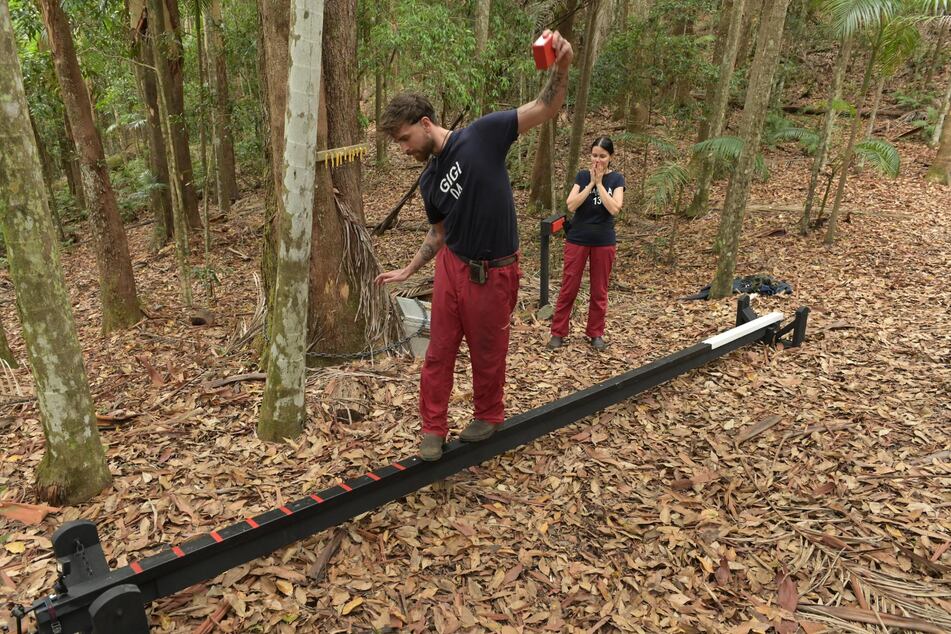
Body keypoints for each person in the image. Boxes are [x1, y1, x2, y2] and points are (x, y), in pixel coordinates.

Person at [375, 31, 573, 461]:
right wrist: (409, 270)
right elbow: (438, 233)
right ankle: (433, 428)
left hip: (495, 270)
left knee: (488, 352)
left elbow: (545, 108)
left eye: (405, 138)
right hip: (452, 267)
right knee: (438, 351)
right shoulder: (429, 179)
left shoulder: (483, 134)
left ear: (425, 124)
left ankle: (488, 414)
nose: (405, 148)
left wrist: (561, 67)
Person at [547, 137, 625, 352]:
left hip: (603, 241)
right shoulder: (582, 176)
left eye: (602, 156)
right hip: (577, 239)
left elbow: (615, 208)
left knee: (599, 290)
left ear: (610, 157)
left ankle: (595, 333)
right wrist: (591, 182)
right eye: (594, 155)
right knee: (568, 287)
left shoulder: (617, 179)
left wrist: (600, 184)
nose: (597, 160)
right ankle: (558, 332)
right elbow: (571, 205)